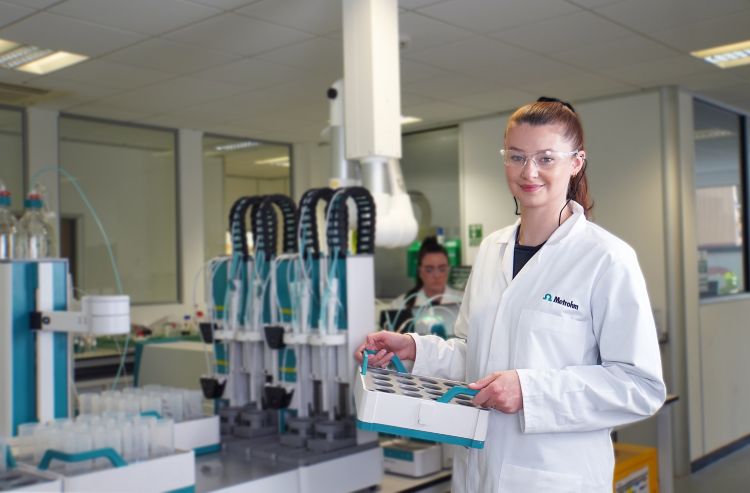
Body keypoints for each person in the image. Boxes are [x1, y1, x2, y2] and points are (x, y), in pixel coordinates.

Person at [357, 97, 666, 492]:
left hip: (555, 478)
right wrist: (416, 350)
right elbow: (475, 355)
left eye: (546, 158)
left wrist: (529, 390)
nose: (529, 171)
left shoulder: (606, 258)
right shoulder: (491, 251)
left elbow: (639, 386)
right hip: (478, 471)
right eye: (516, 157)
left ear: (576, 162)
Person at [388, 236, 463, 335]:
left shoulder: (462, 301)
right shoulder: (400, 305)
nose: (437, 275)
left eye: (442, 269)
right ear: (420, 271)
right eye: (429, 270)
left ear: (448, 269)